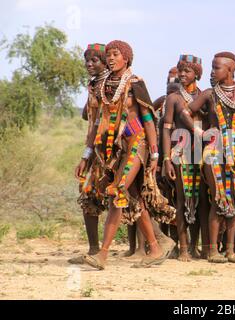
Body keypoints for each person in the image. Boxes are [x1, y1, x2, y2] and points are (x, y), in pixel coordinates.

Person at [82, 40, 166, 270]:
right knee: (135, 197)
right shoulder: (103, 86)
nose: (110, 58)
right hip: (114, 150)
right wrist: (87, 155)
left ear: (126, 58)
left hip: (137, 145)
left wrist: (156, 154)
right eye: (108, 54)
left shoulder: (135, 84)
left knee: (117, 192)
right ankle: (156, 248)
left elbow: (148, 120)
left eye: (115, 54)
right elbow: (97, 122)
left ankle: (103, 254)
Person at [181, 51, 235, 264]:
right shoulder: (209, 94)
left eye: (216, 68)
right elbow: (185, 112)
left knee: (234, 198)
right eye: (212, 67)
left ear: (230, 70)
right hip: (214, 151)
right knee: (219, 198)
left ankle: (230, 251)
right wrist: (200, 132)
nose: (212, 72)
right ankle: (212, 251)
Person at [162, 54, 208, 261]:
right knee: (183, 199)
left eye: (187, 71)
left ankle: (196, 246)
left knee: (202, 200)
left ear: (197, 74)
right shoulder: (173, 98)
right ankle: (182, 247)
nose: (182, 74)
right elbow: (166, 130)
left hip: (202, 152)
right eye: (180, 70)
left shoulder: (205, 96)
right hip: (181, 151)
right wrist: (166, 159)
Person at [70, 43, 110, 264]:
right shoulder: (95, 85)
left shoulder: (111, 85)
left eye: (94, 60)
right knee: (88, 193)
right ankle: (94, 250)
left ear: (105, 62)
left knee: (127, 198)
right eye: (87, 60)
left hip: (111, 150)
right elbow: (90, 117)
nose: (89, 64)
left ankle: (156, 242)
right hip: (96, 149)